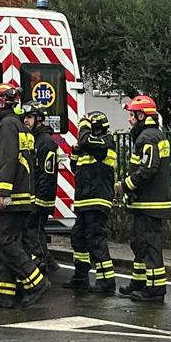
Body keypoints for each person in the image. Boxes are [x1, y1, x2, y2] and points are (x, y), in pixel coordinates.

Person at [0, 84, 50, 309]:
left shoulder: (8, 125)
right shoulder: (13, 124)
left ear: (0, 103)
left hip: (11, 198)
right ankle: (5, 291)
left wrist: (2, 194)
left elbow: (7, 161)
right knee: (2, 242)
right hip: (17, 197)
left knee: (1, 238)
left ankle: (35, 281)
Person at [121, 95, 171, 303]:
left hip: (150, 202)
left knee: (150, 244)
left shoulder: (148, 138)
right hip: (145, 201)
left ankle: (155, 290)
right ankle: (139, 281)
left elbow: (148, 169)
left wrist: (126, 185)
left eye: (132, 115)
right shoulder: (154, 135)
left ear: (142, 115)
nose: (129, 119)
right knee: (139, 242)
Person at [67, 111, 118, 293]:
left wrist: (83, 126)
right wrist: (75, 152)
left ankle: (106, 281)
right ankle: (81, 276)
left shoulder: (106, 141)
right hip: (83, 199)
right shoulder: (89, 145)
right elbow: (75, 167)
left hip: (97, 198)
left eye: (91, 128)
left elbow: (87, 141)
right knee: (78, 238)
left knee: (96, 239)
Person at [24, 106, 61, 280]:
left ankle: (41, 263)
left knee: (34, 231)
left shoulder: (45, 142)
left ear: (39, 119)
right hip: (34, 194)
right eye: (25, 117)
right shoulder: (34, 139)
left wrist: (40, 199)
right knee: (36, 231)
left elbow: (47, 173)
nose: (26, 121)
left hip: (41, 197)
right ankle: (49, 263)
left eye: (30, 117)